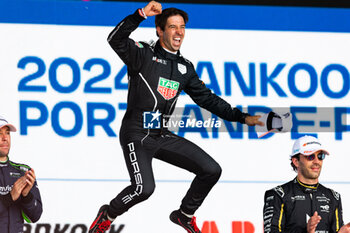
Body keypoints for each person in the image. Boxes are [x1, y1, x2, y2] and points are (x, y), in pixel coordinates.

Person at [89, 1, 263, 233]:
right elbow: (115, 39)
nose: (179, 32)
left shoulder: (185, 67)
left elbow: (207, 99)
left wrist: (241, 117)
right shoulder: (142, 54)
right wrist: (140, 15)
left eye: (182, 27)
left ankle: (184, 214)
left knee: (211, 170)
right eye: (172, 27)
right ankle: (107, 214)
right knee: (144, 189)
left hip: (161, 135)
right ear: (160, 30)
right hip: (136, 133)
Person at [263, 135, 350, 233]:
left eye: (320, 156)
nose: (317, 161)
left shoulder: (334, 197)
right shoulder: (278, 195)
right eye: (310, 156)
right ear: (296, 161)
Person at [0, 115, 43, 233]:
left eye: (7, 133)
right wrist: (9, 197)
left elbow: (35, 216)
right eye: (0, 133)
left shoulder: (23, 172)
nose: (5, 138)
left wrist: (26, 196)